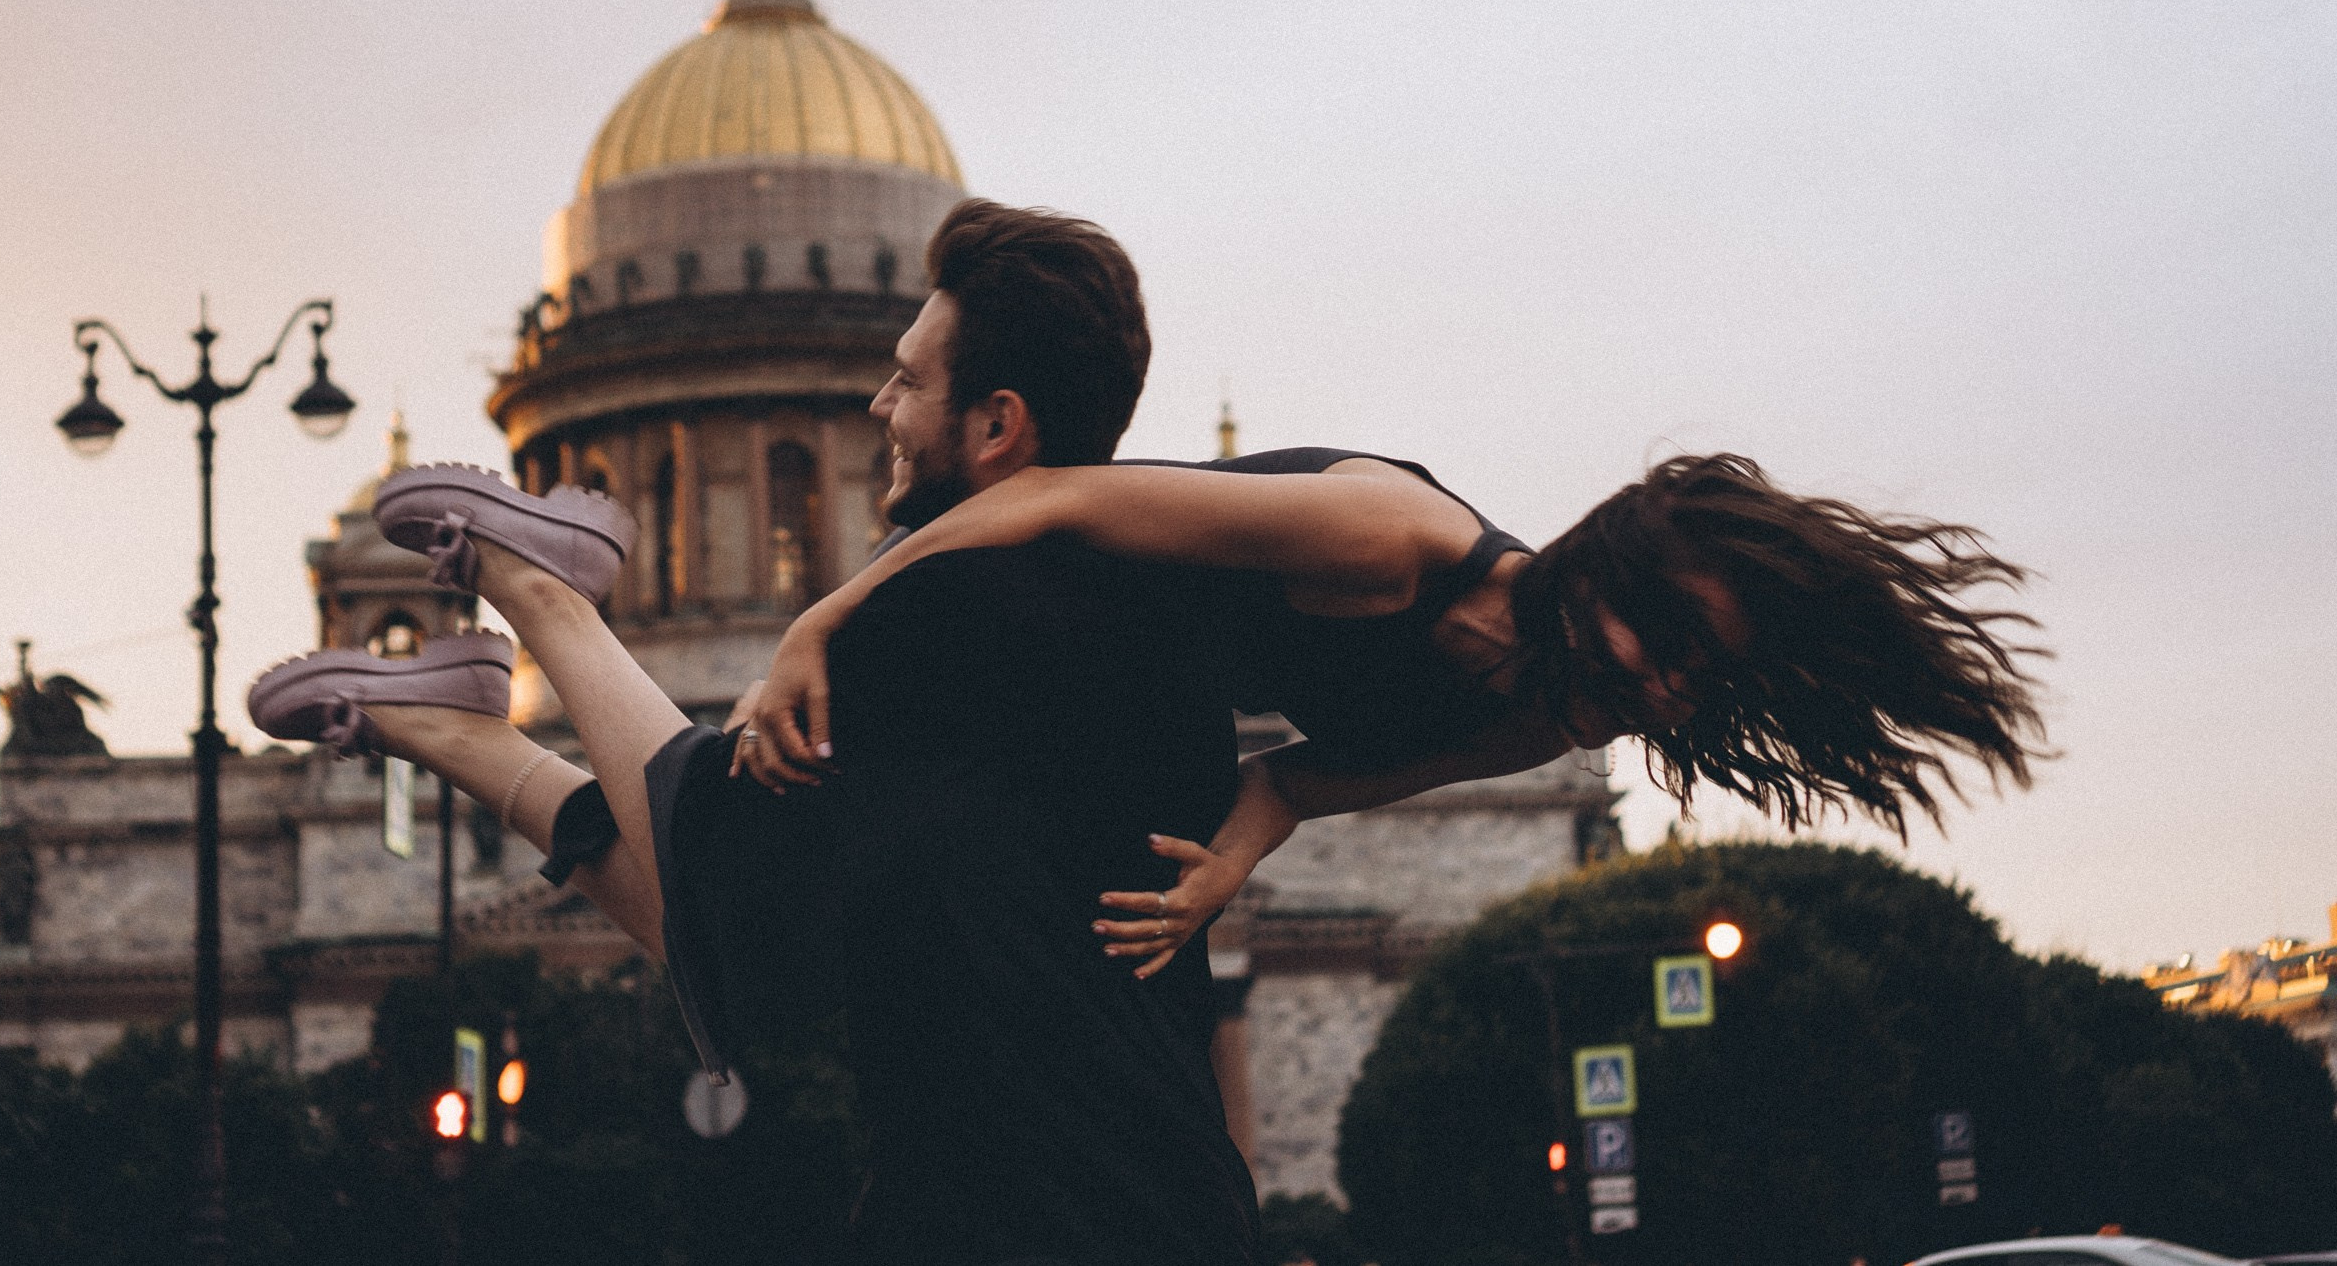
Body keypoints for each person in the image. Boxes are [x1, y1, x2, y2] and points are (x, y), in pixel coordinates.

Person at [249, 200, 1265, 1266]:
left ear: (997, 423)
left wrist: (832, 617)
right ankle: (467, 728)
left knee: (724, 875)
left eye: (911, 381)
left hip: (1044, 1217)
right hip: (1125, 1201)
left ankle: (541, 600)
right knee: (758, 931)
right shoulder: (1150, 612)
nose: (881, 403)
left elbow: (723, 882)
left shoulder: (944, 617)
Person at [728, 438, 2048, 978]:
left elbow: (1300, 780)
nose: (1667, 684)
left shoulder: (1556, 713)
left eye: (1703, 672)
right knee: (747, 847)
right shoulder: (1387, 537)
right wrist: (822, 622)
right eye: (1673, 635)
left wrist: (1216, 881)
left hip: (1100, 707)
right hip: (1012, 608)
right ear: (1613, 563)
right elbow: (1055, 496)